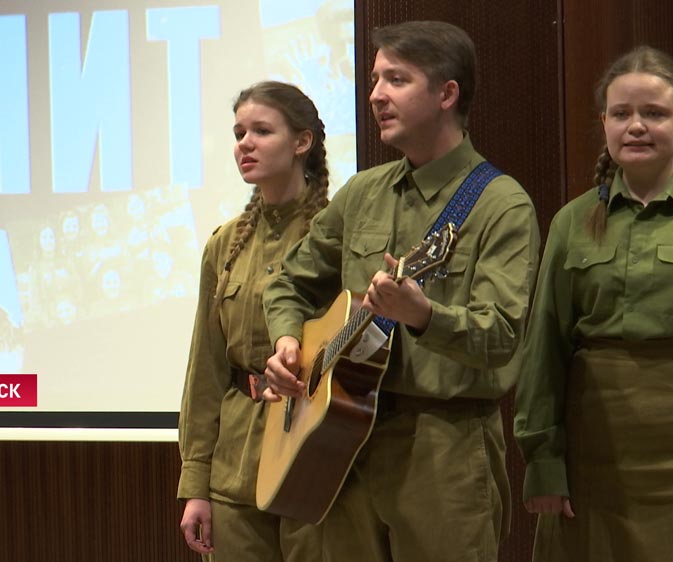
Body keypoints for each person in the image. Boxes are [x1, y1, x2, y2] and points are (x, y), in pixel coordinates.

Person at [263, 21, 540, 562]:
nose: (375, 95)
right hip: (338, 437)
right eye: (373, 80)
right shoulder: (363, 191)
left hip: (443, 445)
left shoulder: (500, 204)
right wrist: (286, 344)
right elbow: (289, 283)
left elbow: (504, 337)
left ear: (446, 93)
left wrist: (424, 316)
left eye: (396, 79)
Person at [513, 46, 673, 561]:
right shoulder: (571, 222)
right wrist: (543, 461)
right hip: (595, 459)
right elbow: (542, 349)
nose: (636, 126)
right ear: (604, 123)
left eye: (654, 113)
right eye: (622, 113)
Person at [177, 81, 330, 562]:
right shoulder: (225, 244)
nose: (244, 143)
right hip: (234, 470)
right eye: (239, 132)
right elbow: (204, 371)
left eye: (261, 130)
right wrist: (195, 484)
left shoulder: (336, 235)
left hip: (317, 456)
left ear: (301, 142)